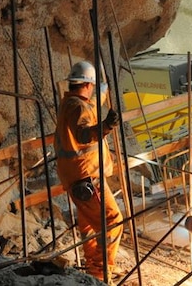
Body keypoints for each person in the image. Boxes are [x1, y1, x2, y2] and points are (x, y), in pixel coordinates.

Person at [54, 60, 123, 283]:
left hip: (78, 177)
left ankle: (93, 272)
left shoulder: (72, 103)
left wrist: (103, 89)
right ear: (87, 84)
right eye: (92, 86)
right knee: (112, 221)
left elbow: (92, 104)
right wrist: (106, 126)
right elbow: (84, 135)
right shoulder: (78, 107)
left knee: (89, 227)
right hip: (87, 177)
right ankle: (102, 274)